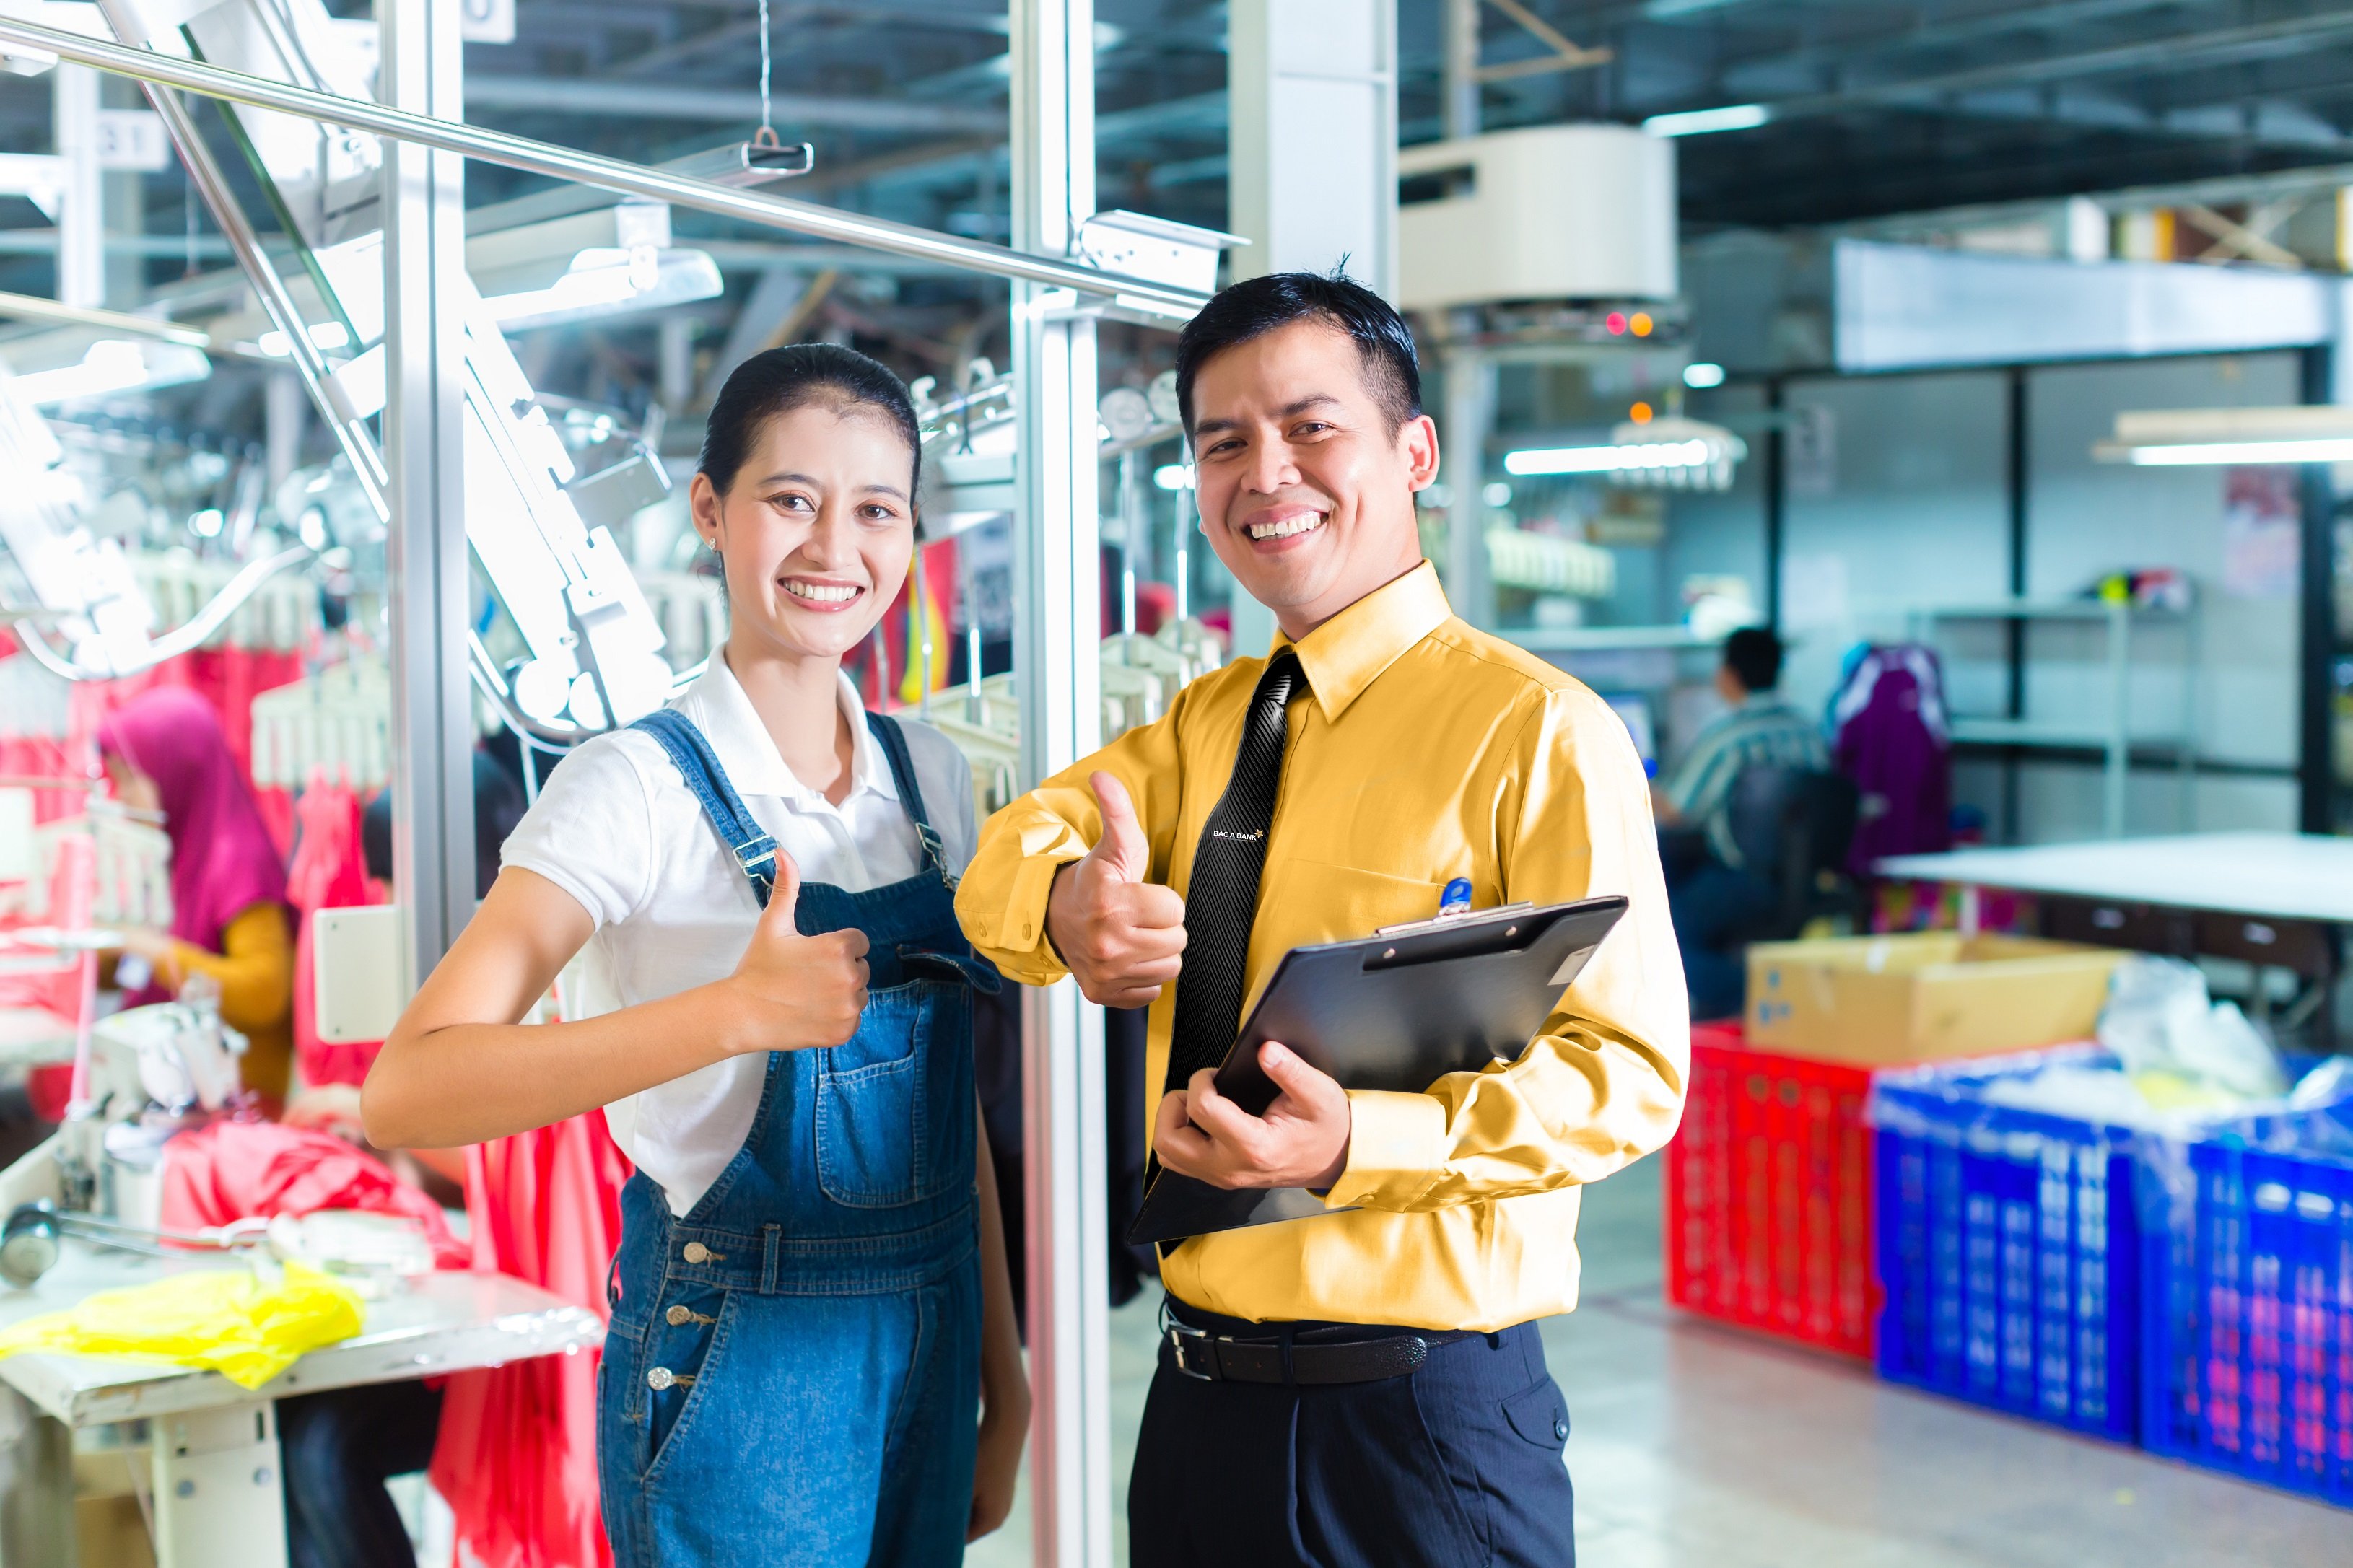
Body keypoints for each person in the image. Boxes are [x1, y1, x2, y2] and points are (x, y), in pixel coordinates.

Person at [954, 272, 1688, 1567]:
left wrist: (1359, 1138)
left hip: (1425, 1429)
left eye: (1309, 426)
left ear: (1414, 450)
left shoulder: (1537, 734)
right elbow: (1012, 845)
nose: (1264, 470)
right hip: (1196, 1407)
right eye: (1223, 440)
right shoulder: (1207, 723)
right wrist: (1069, 902)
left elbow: (1629, 1078)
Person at [362, 344, 1027, 1566]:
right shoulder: (631, 785)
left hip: (930, 1344)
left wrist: (1010, 1374)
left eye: (876, 510)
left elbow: (952, 1121)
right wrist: (730, 1013)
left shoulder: (929, 773)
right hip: (738, 1362)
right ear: (711, 511)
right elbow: (413, 1084)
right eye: (792, 500)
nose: (836, 547)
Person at [97, 687, 297, 1104]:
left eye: (131, 779)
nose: (123, 797)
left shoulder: (238, 860)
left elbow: (264, 992)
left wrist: (149, 950)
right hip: (189, 1089)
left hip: (239, 1099)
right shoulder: (181, 853)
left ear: (178, 768)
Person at [1652, 626, 1828, 1017]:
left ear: (1729, 676)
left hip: (1743, 880)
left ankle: (1754, 996)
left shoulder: (1727, 737)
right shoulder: (1810, 731)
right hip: (1809, 880)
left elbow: (1677, 810)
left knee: (1658, 929)